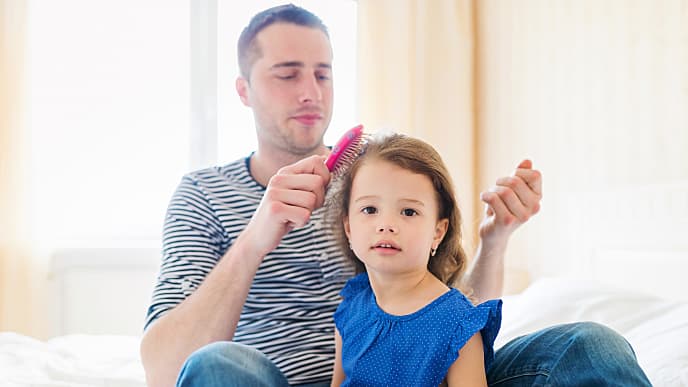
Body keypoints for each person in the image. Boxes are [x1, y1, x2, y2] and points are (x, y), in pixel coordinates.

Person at [139, 4, 651, 387]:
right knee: (217, 366)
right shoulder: (203, 194)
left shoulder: (374, 178)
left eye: (323, 72)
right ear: (243, 90)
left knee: (590, 347)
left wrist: (494, 241)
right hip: (272, 379)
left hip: (418, 377)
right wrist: (255, 236)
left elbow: (448, 324)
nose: (311, 92)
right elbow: (167, 370)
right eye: (286, 73)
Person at [328, 132, 502, 386]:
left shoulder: (457, 323)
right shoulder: (352, 307)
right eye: (370, 209)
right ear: (349, 229)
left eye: (409, 211)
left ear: (438, 232)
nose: (386, 225)